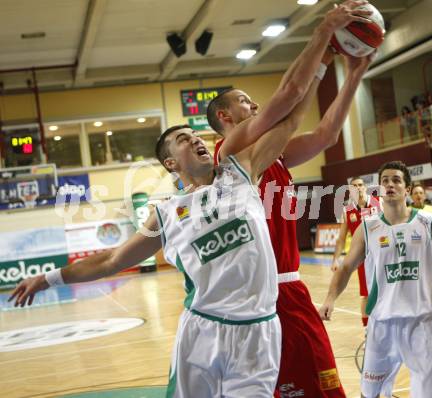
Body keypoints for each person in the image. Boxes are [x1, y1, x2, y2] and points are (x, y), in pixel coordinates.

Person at [8, 5, 370, 396]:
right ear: (169, 162)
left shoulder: (240, 173)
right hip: (204, 331)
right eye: (183, 139)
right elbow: (112, 260)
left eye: (197, 135)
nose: (196, 139)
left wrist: (329, 58)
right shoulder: (167, 212)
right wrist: (48, 278)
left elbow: (295, 114)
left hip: (260, 330)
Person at [208, 29, 375, 398]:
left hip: (287, 285)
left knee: (311, 383)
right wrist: (322, 49)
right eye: (244, 101)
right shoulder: (228, 152)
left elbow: (328, 134)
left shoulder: (276, 154)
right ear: (224, 115)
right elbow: (288, 102)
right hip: (261, 290)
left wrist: (356, 74)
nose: (253, 105)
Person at [319, 161, 432, 398]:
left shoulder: (427, 222)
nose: (389, 184)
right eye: (385, 181)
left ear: (406, 190)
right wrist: (330, 299)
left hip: (423, 323)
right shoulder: (369, 227)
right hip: (383, 324)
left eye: (396, 180)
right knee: (369, 392)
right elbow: (345, 268)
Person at [331, 176, 381, 327]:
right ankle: (367, 330)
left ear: (365, 187)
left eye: (360, 185)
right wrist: (335, 259)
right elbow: (341, 238)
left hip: (381, 253)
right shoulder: (347, 211)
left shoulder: (378, 204)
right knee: (366, 294)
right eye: (354, 186)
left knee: (387, 290)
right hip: (362, 257)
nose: (358, 188)